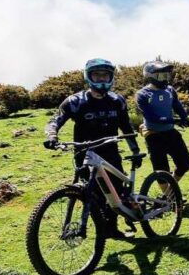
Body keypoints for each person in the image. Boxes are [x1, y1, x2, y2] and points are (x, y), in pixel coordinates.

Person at [43, 58, 140, 239]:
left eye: (105, 76)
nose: (101, 79)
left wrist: (135, 150)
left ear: (111, 77)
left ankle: (112, 229)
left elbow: (127, 128)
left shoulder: (117, 101)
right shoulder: (74, 102)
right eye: (97, 75)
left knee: (115, 194)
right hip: (85, 154)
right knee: (94, 194)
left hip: (110, 153)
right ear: (88, 77)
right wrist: (52, 136)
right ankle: (97, 230)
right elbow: (54, 121)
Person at [135, 59, 189, 182]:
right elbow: (152, 117)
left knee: (185, 165)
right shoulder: (142, 94)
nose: (165, 79)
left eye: (167, 75)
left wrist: (185, 118)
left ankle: (171, 193)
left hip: (170, 132)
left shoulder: (170, 90)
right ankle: (169, 197)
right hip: (153, 134)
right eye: (161, 76)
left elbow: (177, 105)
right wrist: (173, 120)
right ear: (150, 77)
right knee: (161, 171)